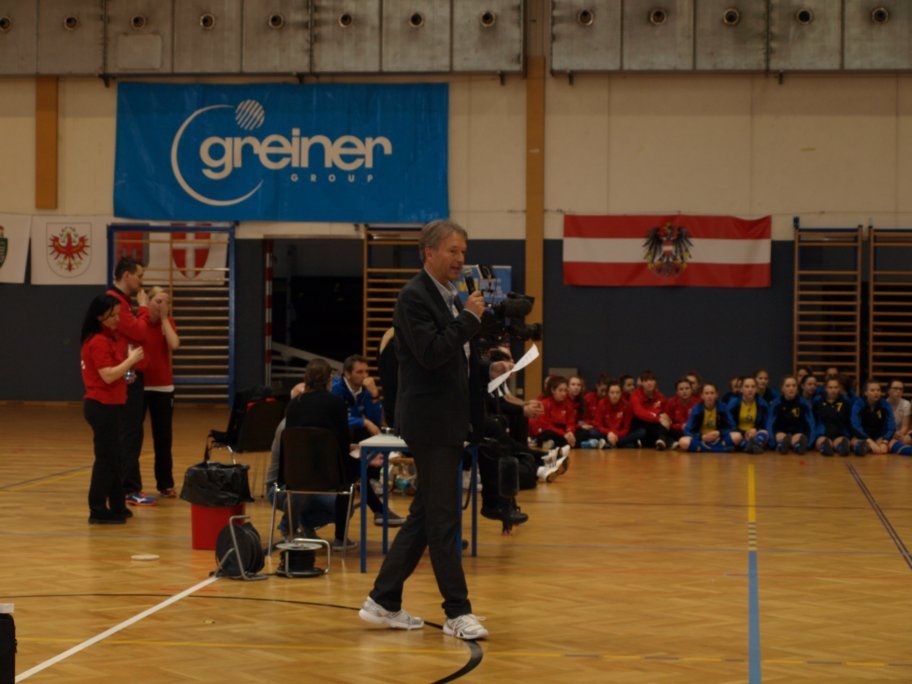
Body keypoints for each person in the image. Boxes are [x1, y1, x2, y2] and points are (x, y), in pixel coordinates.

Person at [360, 219, 489, 641]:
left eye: (463, 252)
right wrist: (468, 319)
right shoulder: (414, 297)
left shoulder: (448, 296)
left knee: (424, 516)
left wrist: (488, 369)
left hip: (447, 419)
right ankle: (457, 612)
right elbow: (432, 353)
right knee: (443, 518)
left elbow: (453, 357)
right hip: (429, 421)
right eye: (453, 251)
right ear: (429, 253)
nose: (460, 259)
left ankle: (383, 600)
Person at [269, 359, 352, 546]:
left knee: (302, 488)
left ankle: (296, 526)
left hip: (294, 476)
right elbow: (342, 443)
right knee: (349, 488)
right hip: (329, 476)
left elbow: (292, 445)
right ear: (329, 380)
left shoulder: (293, 405)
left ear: (306, 379)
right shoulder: (337, 404)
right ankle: (340, 538)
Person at [80, 294, 145, 524]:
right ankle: (97, 510)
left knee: (115, 458)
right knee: (106, 460)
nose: (117, 319)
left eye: (118, 314)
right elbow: (107, 376)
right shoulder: (98, 341)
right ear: (100, 317)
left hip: (113, 404)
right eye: (113, 315)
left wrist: (128, 373)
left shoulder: (112, 338)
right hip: (101, 406)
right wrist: (130, 361)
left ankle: (117, 506)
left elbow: (117, 373)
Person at [332, 354, 405, 528]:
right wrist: (363, 422)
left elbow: (375, 420)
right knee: (355, 471)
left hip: (354, 440)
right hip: (336, 442)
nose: (365, 376)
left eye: (366, 371)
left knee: (361, 464)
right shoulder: (335, 389)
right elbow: (338, 419)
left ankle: (378, 502)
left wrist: (374, 396)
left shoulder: (365, 391)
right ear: (347, 374)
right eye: (359, 372)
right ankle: (379, 508)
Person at [107, 256, 155, 506]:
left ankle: (123, 486)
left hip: (129, 374)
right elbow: (138, 332)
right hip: (125, 376)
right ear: (127, 275)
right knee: (130, 432)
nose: (141, 281)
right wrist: (144, 308)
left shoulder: (122, 302)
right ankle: (129, 489)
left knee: (130, 432)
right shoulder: (117, 302)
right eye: (139, 275)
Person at [140, 287, 180, 498]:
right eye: (158, 301)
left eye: (166, 302)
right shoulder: (139, 321)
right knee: (133, 437)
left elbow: (174, 344)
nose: (162, 305)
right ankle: (130, 485)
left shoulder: (168, 322)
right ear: (148, 301)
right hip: (140, 386)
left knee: (163, 438)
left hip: (163, 388)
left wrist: (164, 319)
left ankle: (165, 483)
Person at [849, 380, 910, 456]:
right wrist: (869, 441)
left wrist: (885, 441)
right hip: (863, 436)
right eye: (872, 390)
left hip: (879, 437)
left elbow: (891, 426)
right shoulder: (858, 404)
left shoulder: (885, 405)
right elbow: (855, 425)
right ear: (865, 393)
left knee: (892, 443)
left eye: (878, 390)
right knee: (854, 441)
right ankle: (864, 447)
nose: (876, 392)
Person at [678, 383, 742, 452]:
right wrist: (702, 437)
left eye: (712, 393)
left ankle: (704, 448)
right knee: (683, 441)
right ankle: (719, 449)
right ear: (702, 396)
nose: (709, 396)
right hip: (702, 439)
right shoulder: (696, 409)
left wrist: (720, 432)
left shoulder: (723, 407)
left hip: (718, 438)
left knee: (737, 436)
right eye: (706, 393)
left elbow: (733, 426)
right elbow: (687, 430)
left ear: (717, 395)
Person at [768, 376, 815, 454]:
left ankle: (798, 447)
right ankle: (781, 446)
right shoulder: (775, 404)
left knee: (798, 436)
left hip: (797, 433)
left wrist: (809, 444)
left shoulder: (804, 404)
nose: (791, 388)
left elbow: (811, 425)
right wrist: (772, 443)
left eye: (794, 386)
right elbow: (770, 424)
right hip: (781, 433)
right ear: (782, 388)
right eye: (788, 386)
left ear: (797, 388)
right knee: (780, 435)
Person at [593, 381, 646, 448]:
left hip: (620, 434)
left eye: (617, 392)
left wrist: (616, 435)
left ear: (621, 393)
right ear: (608, 393)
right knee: (593, 432)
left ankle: (609, 443)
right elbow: (598, 425)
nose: (615, 395)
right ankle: (625, 444)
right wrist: (609, 433)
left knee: (641, 432)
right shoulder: (602, 403)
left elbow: (626, 428)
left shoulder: (627, 405)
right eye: (612, 392)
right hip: (607, 433)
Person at [531, 375, 579, 449]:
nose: (563, 394)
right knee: (548, 434)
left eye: (565, 390)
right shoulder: (545, 403)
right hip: (549, 431)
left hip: (563, 431)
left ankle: (557, 443)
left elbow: (570, 423)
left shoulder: (568, 404)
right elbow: (545, 425)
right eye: (560, 390)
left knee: (581, 432)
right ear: (553, 390)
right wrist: (563, 434)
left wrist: (570, 432)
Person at [727, 376, 770, 454]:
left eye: (753, 387)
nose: (750, 389)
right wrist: (743, 432)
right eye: (747, 387)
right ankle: (751, 446)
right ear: (741, 389)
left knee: (765, 433)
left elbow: (765, 423)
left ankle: (751, 446)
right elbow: (729, 423)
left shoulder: (762, 404)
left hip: (754, 434)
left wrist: (756, 429)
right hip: (740, 433)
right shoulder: (733, 403)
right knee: (735, 436)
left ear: (756, 389)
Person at [630, 370, 671, 449]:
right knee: (655, 425)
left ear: (655, 382)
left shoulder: (659, 395)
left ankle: (658, 441)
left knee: (666, 423)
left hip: (655, 423)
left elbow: (665, 410)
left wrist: (665, 417)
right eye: (646, 381)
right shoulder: (635, 395)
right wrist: (658, 417)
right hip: (639, 423)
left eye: (652, 380)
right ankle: (665, 440)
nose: (649, 383)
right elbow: (639, 412)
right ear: (642, 383)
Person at [812, 377, 852, 456]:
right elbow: (813, 420)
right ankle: (826, 446)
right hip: (823, 434)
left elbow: (849, 421)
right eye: (830, 387)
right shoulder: (818, 401)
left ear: (839, 388)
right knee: (824, 443)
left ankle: (839, 447)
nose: (833, 390)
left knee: (844, 445)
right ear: (825, 388)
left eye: (836, 387)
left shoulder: (845, 401)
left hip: (839, 434)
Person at [664, 377, 698, 447]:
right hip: (677, 431)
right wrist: (680, 426)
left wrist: (688, 426)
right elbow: (668, 422)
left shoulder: (698, 403)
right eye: (681, 389)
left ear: (691, 390)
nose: (684, 391)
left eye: (687, 388)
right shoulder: (671, 402)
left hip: (692, 431)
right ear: (677, 392)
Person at [886, 379, 911, 446]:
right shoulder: (883, 404)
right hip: (886, 433)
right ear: (888, 390)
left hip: (900, 435)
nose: (898, 391)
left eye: (901, 389)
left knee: (906, 439)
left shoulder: (906, 404)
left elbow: (905, 426)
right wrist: (892, 434)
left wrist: (900, 434)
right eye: (895, 388)